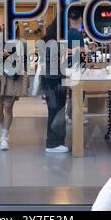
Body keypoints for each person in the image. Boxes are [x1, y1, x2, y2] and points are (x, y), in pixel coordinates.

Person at [0, 23, 29, 151]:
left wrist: (26, 79)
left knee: (8, 108)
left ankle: (4, 137)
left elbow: (25, 62)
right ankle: (4, 127)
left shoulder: (22, 42)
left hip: (13, 78)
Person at [41, 18, 69, 153]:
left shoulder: (46, 42)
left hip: (49, 82)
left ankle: (54, 141)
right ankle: (53, 143)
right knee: (56, 111)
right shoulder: (57, 44)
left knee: (54, 111)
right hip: (55, 81)